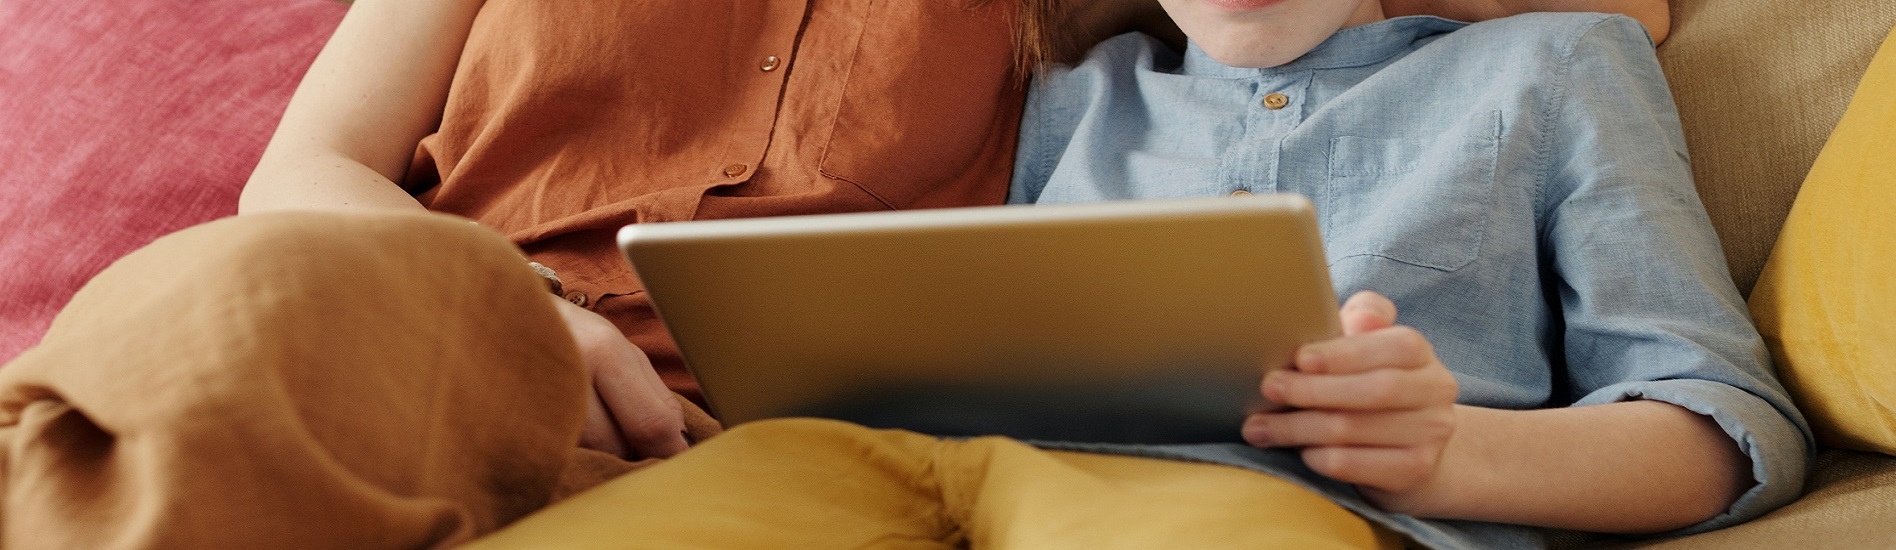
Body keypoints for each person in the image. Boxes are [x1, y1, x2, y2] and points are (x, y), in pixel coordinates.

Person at [0, 0, 1690, 548]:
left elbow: (1635, 11)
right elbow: (299, 170)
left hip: (740, 435)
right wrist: (522, 309)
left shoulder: (1071, 31)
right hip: (441, 301)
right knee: (237, 331)